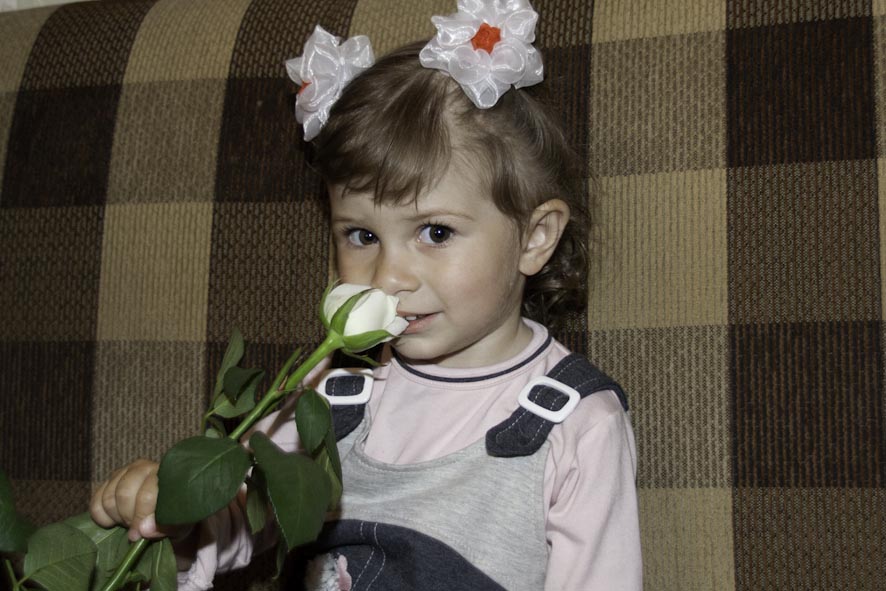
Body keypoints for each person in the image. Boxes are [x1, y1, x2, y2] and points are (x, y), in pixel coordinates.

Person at [90, 4, 642, 589]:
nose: (388, 276)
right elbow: (237, 517)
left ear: (534, 237)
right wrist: (172, 513)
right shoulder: (330, 387)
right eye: (362, 236)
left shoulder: (577, 423)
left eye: (436, 233)